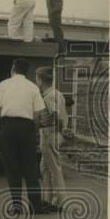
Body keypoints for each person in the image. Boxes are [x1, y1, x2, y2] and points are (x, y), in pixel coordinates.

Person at [0, 59, 57, 215]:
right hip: (26, 127)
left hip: (7, 127)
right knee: (30, 168)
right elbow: (37, 116)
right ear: (26, 71)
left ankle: (16, 206)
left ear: (13, 69)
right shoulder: (33, 87)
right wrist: (32, 132)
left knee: (12, 168)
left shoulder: (3, 85)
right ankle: (36, 206)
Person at [35, 66, 69, 209]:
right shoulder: (58, 93)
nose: (36, 81)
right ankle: (48, 199)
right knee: (45, 168)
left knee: (54, 169)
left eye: (36, 78)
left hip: (49, 135)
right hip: (55, 135)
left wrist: (51, 129)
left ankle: (59, 201)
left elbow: (56, 116)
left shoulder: (48, 96)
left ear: (41, 80)